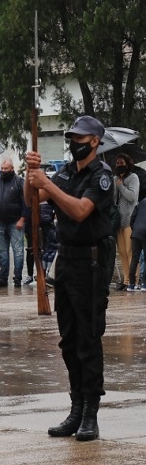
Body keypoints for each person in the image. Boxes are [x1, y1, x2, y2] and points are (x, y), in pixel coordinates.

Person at [26, 115, 114, 442]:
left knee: (88, 339)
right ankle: (75, 408)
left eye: (79, 137)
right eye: (71, 136)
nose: (73, 141)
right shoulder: (65, 172)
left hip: (92, 262)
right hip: (67, 260)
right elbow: (31, 200)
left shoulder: (101, 176)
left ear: (93, 141)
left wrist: (46, 183)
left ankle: (91, 413)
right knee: (69, 340)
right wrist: (30, 174)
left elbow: (79, 211)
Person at [0, 159, 26, 287]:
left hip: (15, 223)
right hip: (0, 223)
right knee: (2, 252)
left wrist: (22, 219)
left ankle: (17, 279)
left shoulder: (19, 181)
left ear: (12, 168)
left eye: (6, 168)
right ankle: (3, 278)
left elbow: (26, 203)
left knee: (18, 251)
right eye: (2, 168)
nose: (3, 171)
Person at [113, 152, 139, 290]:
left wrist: (121, 186)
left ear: (127, 164)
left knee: (130, 252)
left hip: (130, 220)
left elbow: (132, 197)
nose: (119, 165)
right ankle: (126, 280)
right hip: (119, 221)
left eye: (121, 163)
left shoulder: (133, 178)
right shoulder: (115, 179)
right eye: (117, 163)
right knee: (122, 252)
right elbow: (113, 199)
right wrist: (115, 187)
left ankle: (134, 280)